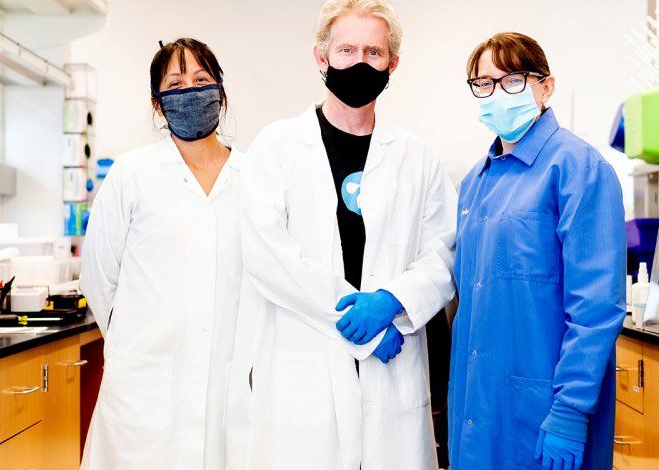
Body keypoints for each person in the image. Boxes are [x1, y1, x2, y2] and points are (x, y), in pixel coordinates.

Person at [225, 1, 457, 469]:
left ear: (392, 64)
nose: (359, 62)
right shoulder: (276, 147)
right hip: (305, 366)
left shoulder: (419, 157)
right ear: (321, 57)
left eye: (373, 52)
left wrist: (392, 300)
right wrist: (358, 328)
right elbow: (268, 256)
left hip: (392, 370)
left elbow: (444, 253)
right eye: (346, 49)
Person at [448, 32, 627, 470]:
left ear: (545, 87)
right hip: (477, 409)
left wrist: (570, 411)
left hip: (545, 409)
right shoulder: (475, 181)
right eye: (484, 83)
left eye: (512, 80)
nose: (496, 93)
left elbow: (597, 307)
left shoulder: (578, 169)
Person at [79, 38, 243, 469]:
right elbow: (98, 278)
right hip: (144, 384)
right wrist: (138, 342)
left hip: (230, 380)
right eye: (175, 83)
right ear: (157, 105)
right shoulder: (131, 175)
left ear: (221, 93)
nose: (189, 91)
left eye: (201, 80)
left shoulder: (255, 176)